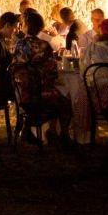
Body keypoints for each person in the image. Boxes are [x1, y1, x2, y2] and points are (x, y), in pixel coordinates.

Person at [11, 10, 72, 145]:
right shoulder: (45, 45)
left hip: (23, 93)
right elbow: (52, 72)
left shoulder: (19, 45)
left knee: (56, 94)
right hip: (40, 93)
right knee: (65, 102)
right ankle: (61, 133)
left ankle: (33, 128)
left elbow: (15, 67)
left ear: (26, 26)